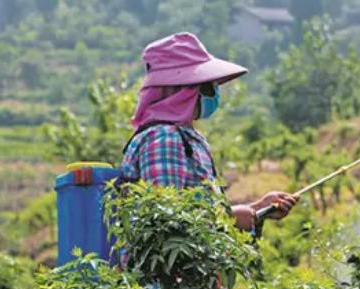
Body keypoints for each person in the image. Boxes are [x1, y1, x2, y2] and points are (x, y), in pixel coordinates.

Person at [121, 32, 298, 231]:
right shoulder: (164, 139)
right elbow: (165, 224)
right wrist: (230, 218)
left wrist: (258, 208)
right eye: (208, 87)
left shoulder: (187, 139)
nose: (215, 94)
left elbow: (198, 213)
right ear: (183, 92)